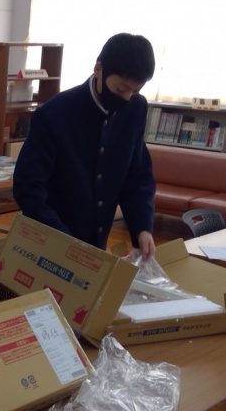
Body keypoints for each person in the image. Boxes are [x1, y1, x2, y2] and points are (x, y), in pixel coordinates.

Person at [13, 33, 157, 258]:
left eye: (135, 91)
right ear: (98, 69)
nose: (127, 98)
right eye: (121, 89)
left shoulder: (135, 109)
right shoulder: (55, 114)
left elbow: (137, 175)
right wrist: (65, 241)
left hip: (96, 243)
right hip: (51, 241)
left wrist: (142, 227)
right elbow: (28, 188)